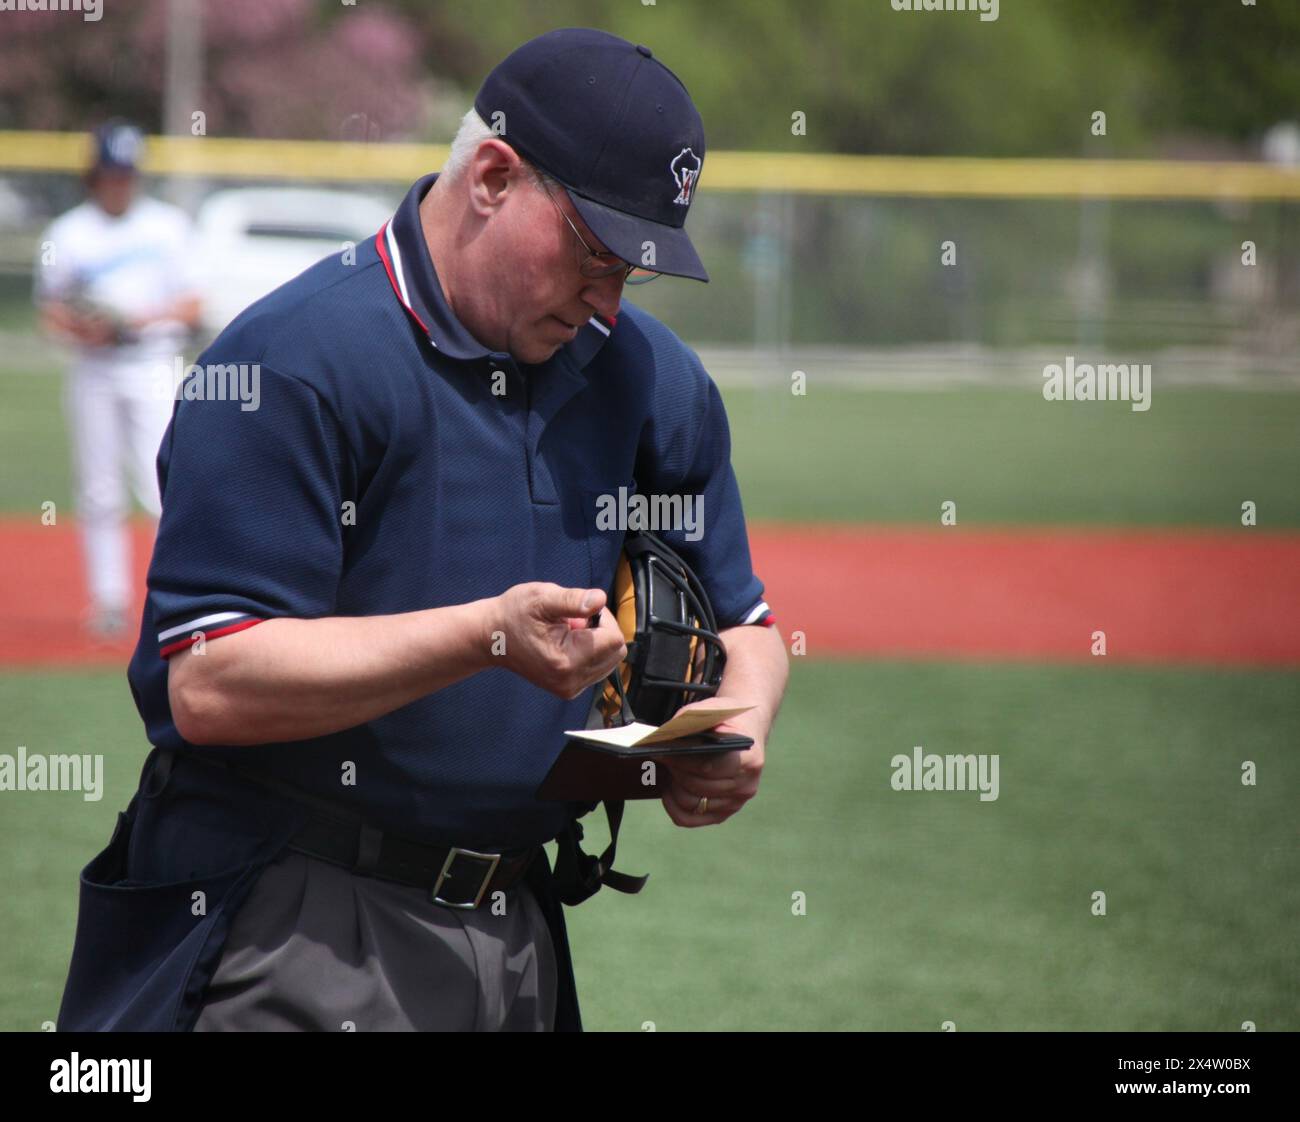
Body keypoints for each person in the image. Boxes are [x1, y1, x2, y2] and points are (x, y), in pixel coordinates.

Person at [56, 28, 789, 1033]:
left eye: (637, 269)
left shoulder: (650, 380)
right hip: (297, 917)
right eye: (593, 250)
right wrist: (485, 635)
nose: (607, 296)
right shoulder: (295, 361)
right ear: (493, 175)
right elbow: (211, 682)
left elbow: (748, 622)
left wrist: (735, 726)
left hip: (519, 929)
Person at [34, 120, 203, 639]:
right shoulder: (67, 233)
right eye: (110, 174)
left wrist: (131, 321)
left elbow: (194, 303)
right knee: (100, 490)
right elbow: (51, 309)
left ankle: (173, 597)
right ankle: (108, 600)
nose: (119, 183)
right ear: (94, 175)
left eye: (126, 174)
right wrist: (84, 327)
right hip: (95, 369)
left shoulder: (168, 226)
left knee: (161, 484)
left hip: (152, 364)